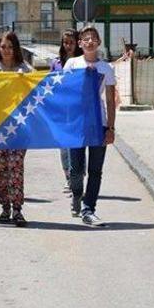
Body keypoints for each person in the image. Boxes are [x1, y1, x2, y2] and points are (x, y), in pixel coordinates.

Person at [64, 26, 117, 226]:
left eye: (93, 38)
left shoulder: (106, 68)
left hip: (98, 123)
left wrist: (110, 128)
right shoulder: (72, 64)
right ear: (80, 43)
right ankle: (77, 195)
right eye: (85, 39)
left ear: (99, 43)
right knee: (76, 169)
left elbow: (111, 100)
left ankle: (89, 208)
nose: (89, 41)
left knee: (96, 170)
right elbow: (64, 92)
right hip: (77, 124)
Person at [0, 31, 33, 226]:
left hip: (18, 127)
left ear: (16, 49)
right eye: (3, 47)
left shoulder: (24, 68)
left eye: (10, 47)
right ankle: (4, 207)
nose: (6, 50)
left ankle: (17, 209)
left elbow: (37, 82)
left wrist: (24, 78)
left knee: (15, 168)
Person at [50, 29, 82, 193]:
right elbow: (49, 86)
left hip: (78, 111)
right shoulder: (56, 63)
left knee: (76, 146)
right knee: (63, 148)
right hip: (61, 111)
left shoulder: (82, 63)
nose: (68, 45)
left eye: (71, 42)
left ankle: (77, 176)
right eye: (65, 42)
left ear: (77, 43)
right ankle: (68, 178)